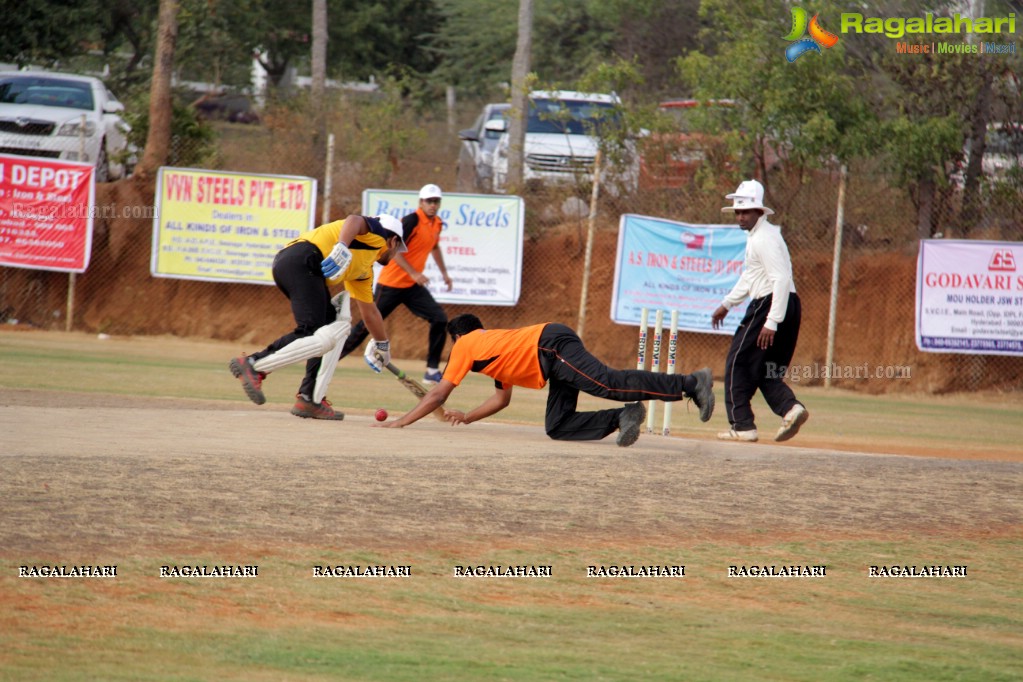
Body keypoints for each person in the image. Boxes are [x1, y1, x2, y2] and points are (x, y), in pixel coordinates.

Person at [377, 313, 715, 447]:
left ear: (458, 337)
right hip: (549, 359)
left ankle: (691, 383)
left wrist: (402, 422)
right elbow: (501, 400)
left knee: (607, 383)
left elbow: (438, 394)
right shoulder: (492, 350)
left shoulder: (467, 344)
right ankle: (623, 416)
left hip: (550, 347)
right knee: (558, 425)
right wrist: (466, 417)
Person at [229, 214, 407, 420]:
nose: (395, 255)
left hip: (299, 265)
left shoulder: (363, 271)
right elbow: (354, 220)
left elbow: (370, 312)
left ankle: (311, 398)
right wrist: (342, 245)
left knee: (334, 325)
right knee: (314, 330)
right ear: (393, 241)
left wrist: (382, 344)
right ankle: (253, 364)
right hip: (302, 258)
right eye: (397, 250)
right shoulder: (378, 236)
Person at [711, 179, 808, 442]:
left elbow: (779, 278)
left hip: (771, 305)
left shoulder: (763, 239)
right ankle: (791, 409)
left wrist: (771, 322)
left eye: (746, 212)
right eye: (738, 212)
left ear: (759, 212)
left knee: (737, 363)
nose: (740, 217)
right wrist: (728, 303)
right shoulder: (762, 236)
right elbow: (751, 276)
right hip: (788, 304)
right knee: (767, 371)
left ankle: (742, 426)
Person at [340, 184, 453, 384]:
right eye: (429, 201)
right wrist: (414, 272)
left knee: (439, 319)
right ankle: (333, 358)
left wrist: (445, 273)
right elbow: (395, 248)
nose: (433, 205)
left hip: (411, 287)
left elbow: (435, 248)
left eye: (436, 201)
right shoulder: (412, 221)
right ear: (421, 202)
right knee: (367, 325)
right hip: (391, 284)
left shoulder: (437, 223)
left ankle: (432, 370)